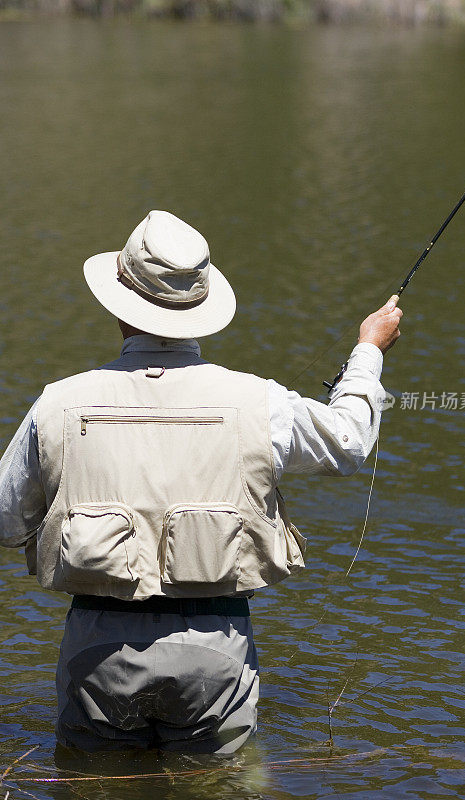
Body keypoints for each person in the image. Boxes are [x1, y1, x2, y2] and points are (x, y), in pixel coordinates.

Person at [0, 210, 402, 754]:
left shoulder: (58, 404)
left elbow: (5, 522)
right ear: (199, 308)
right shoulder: (261, 402)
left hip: (95, 647)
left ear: (120, 309)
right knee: (215, 788)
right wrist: (369, 351)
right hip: (216, 648)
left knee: (92, 787)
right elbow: (350, 441)